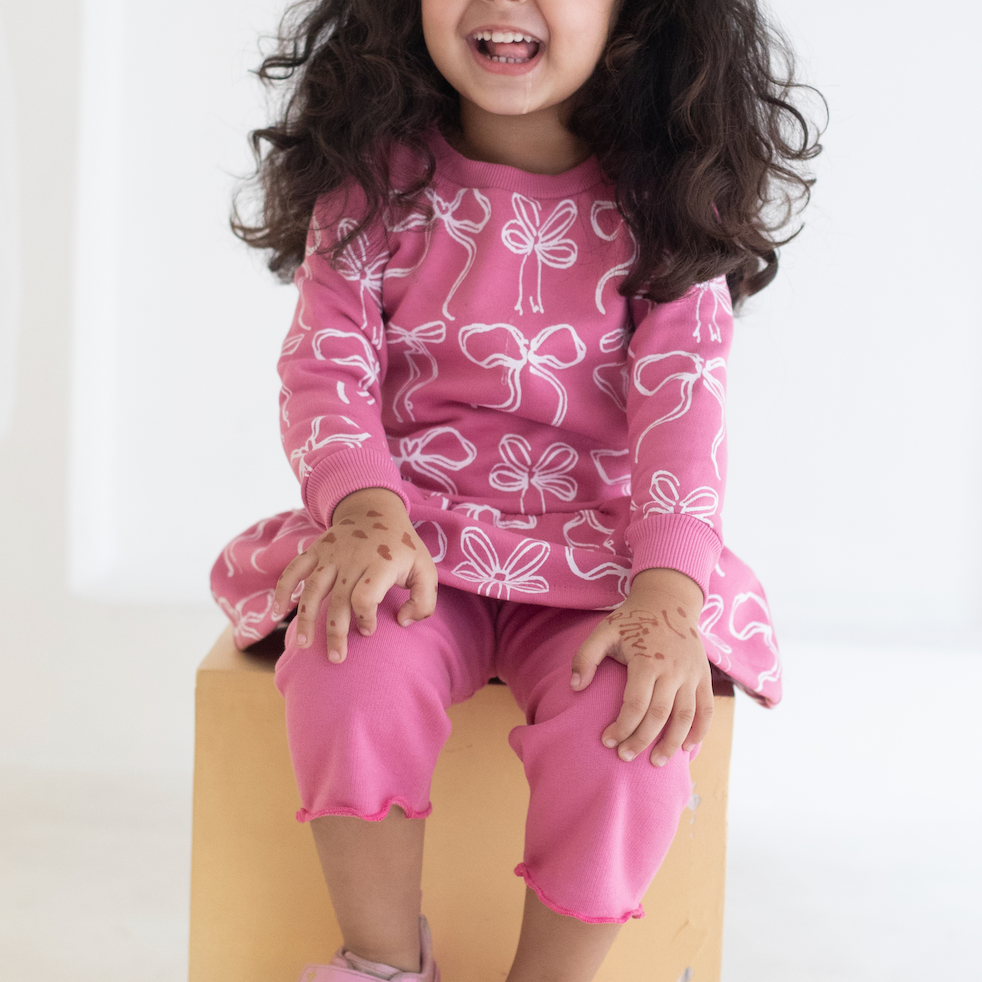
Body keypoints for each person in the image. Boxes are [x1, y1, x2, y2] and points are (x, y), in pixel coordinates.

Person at [212, 1, 822, 979]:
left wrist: (667, 588)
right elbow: (327, 367)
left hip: (596, 562)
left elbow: (683, 406)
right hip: (412, 537)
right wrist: (363, 506)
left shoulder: (663, 203)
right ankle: (380, 960)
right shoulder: (372, 186)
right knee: (347, 657)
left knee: (635, 725)